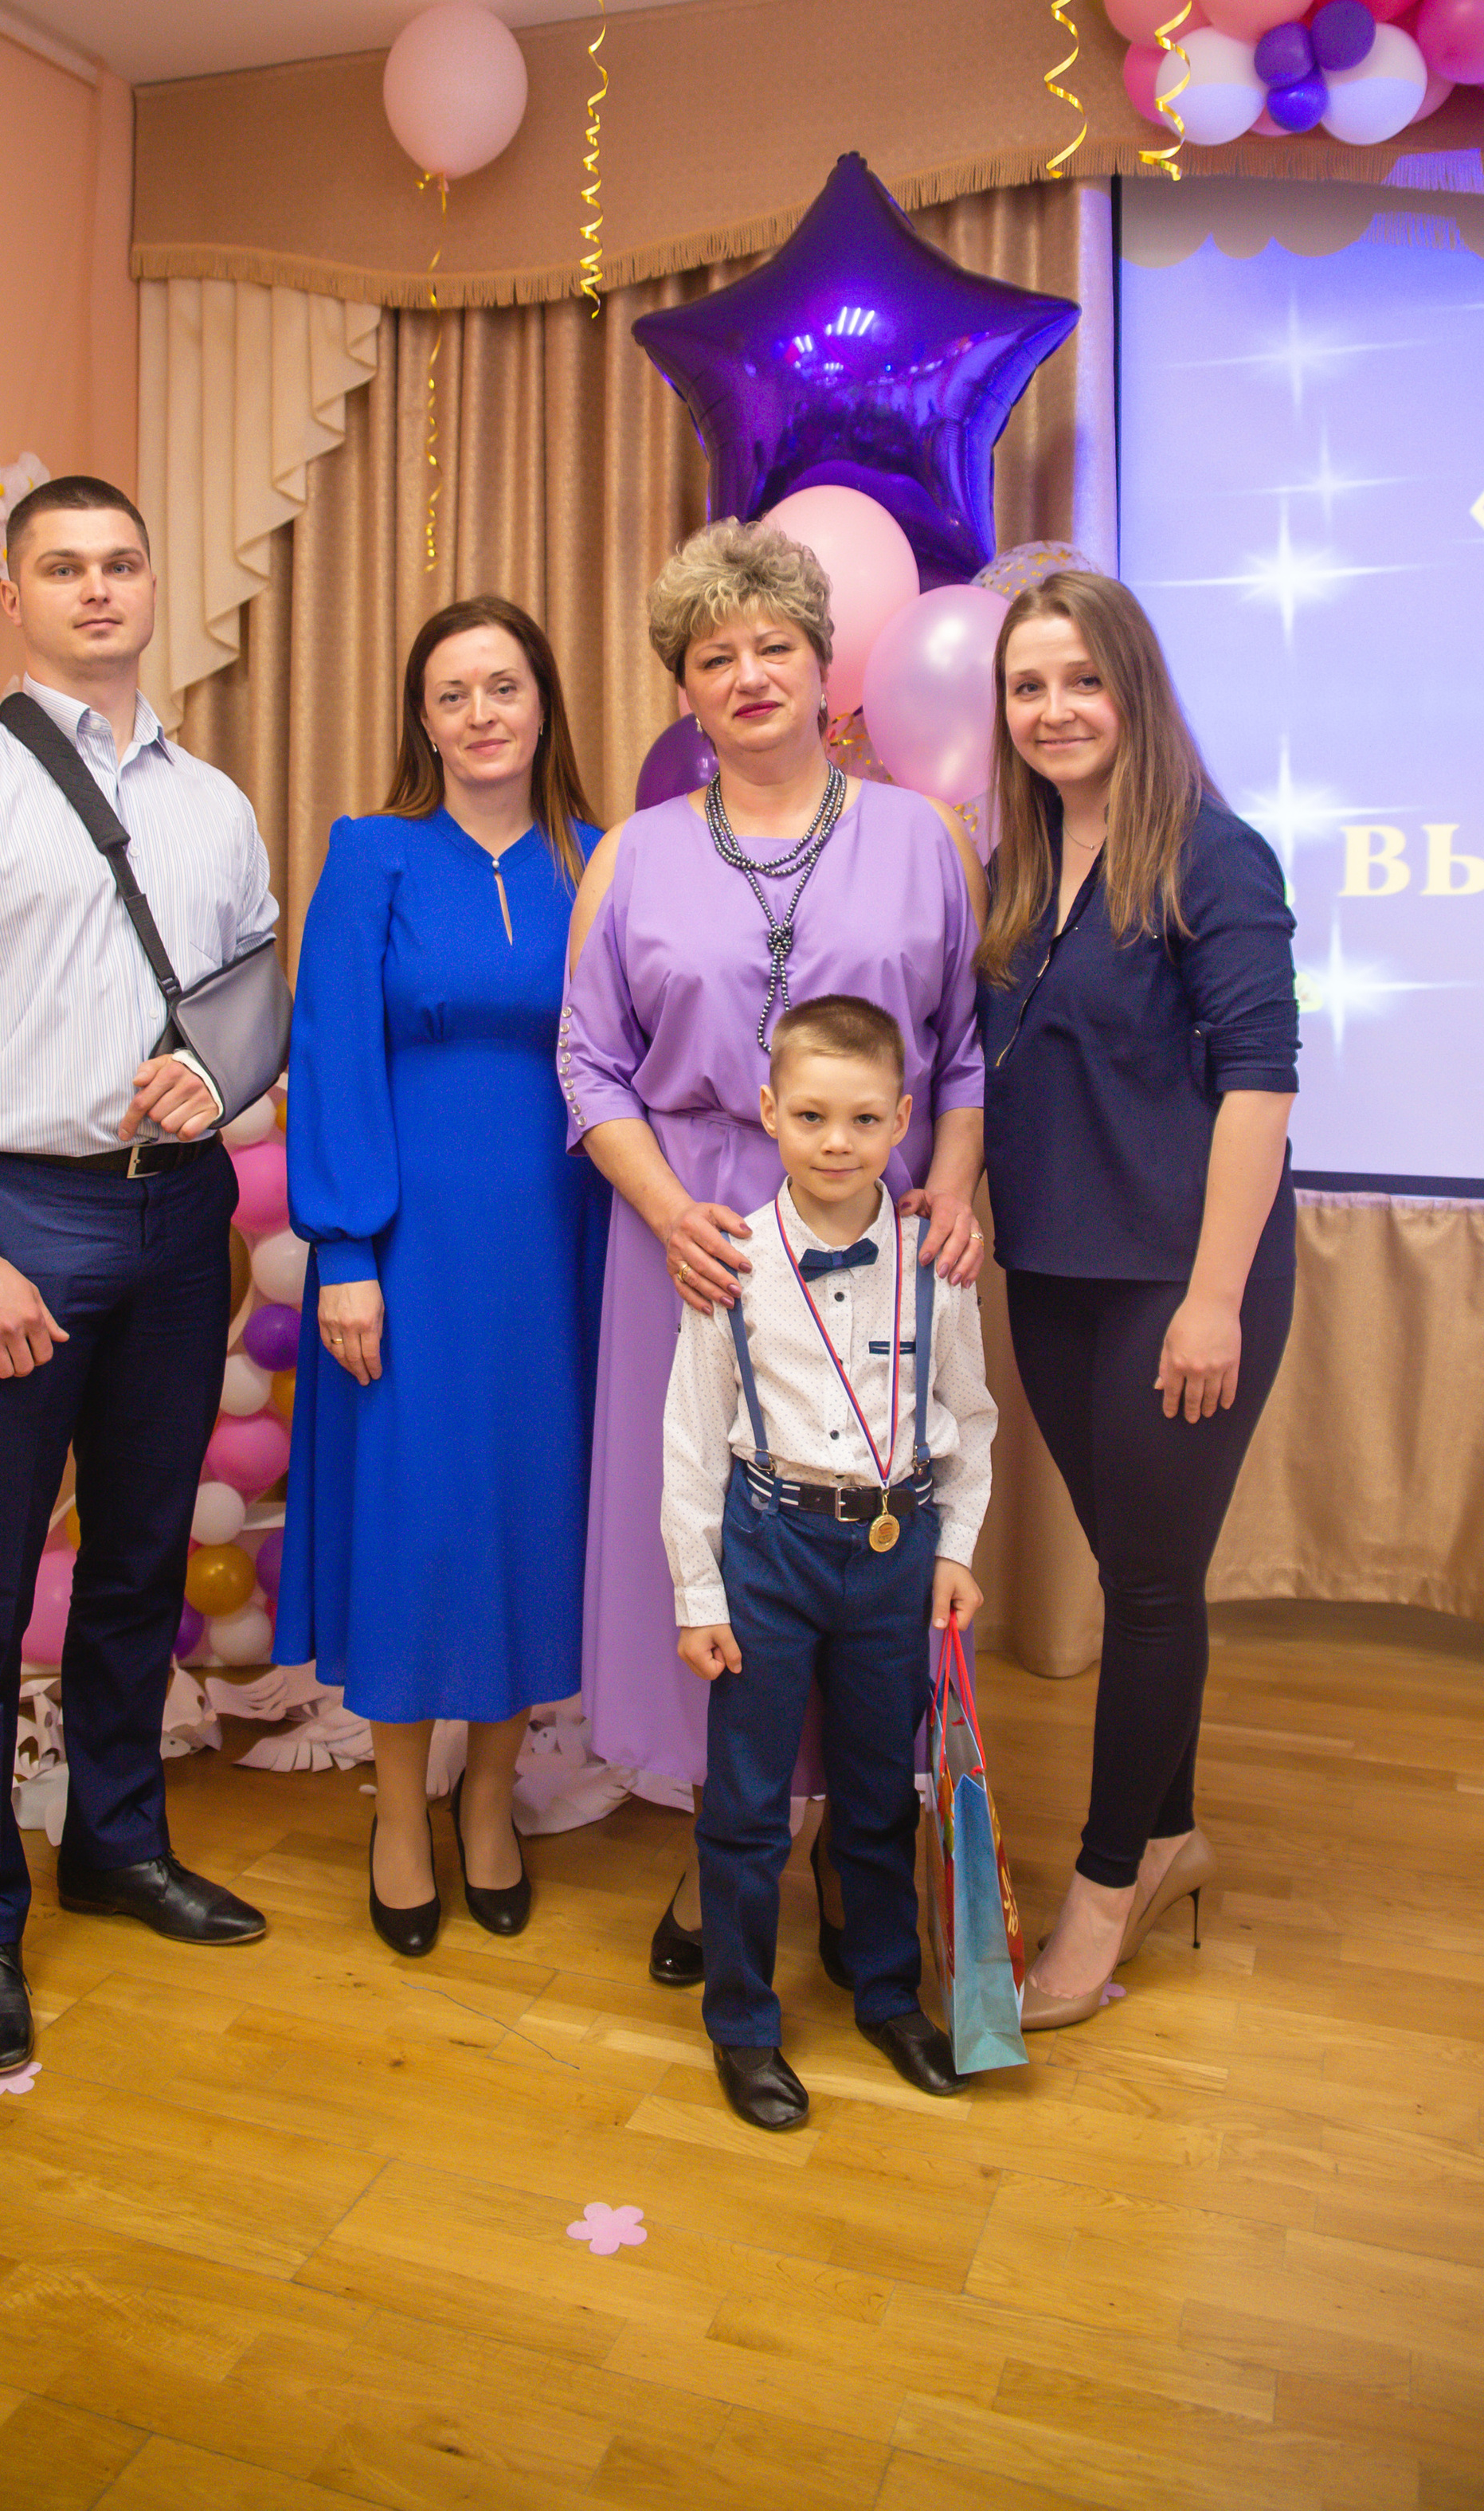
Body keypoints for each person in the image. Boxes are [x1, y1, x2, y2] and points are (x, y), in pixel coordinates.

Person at [0, 476, 275, 2074]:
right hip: (17, 1214)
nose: (99, 591)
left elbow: (247, 1006)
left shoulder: (213, 804)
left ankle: (115, 1845)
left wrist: (216, 1083)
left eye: (122, 564)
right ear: (13, 598)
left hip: (180, 1227)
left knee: (139, 1561)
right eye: (63, 569)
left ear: (152, 585)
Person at [562, 517, 988, 1983]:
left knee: (859, 1534)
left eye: (774, 647)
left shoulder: (921, 840)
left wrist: (961, 1190)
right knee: (717, 1552)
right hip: (690, 1244)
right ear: (684, 690)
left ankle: (848, 1842)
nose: (747, 675)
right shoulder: (633, 854)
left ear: (826, 667)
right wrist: (666, 1208)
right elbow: (590, 1064)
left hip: (876, 1234)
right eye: (712, 655)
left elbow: (964, 1051)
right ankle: (716, 1846)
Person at [977, 569, 1298, 2031]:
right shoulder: (1019, 869)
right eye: (1027, 685)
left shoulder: (1214, 858)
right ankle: (1168, 1836)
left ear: (1135, 691)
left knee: (1153, 1587)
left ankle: (1105, 1892)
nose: (1053, 710)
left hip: (1184, 1281)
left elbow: (1260, 1083)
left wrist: (1216, 1295)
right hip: (1052, 1275)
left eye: (1080, 680)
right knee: (1136, 1573)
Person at [274, 598, 609, 1956]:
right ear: (422, 718)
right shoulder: (371, 859)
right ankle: (399, 1812)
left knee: (527, 1526)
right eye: (452, 692)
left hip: (564, 1253)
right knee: (418, 1533)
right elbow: (334, 1054)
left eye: (504, 686)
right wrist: (345, 1248)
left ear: (544, 705)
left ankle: (490, 1797)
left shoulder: (598, 860)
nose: (481, 713)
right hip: (407, 1256)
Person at [664, 995, 996, 2128]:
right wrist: (698, 1592)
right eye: (810, 1115)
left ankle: (889, 1992)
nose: (838, 1141)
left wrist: (955, 1547)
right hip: (769, 1544)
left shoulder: (936, 1261)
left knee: (877, 1790)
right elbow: (693, 1438)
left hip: (895, 1550)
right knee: (751, 1804)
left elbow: (972, 1417)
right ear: (769, 1112)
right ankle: (743, 2022)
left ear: (905, 1117)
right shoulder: (734, 1258)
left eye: (864, 1118)